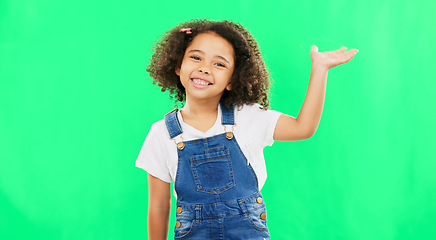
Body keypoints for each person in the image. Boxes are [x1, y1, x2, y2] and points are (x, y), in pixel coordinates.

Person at [136, 19, 358, 240]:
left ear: (232, 80)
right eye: (196, 57)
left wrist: (320, 69)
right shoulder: (161, 133)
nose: (204, 68)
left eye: (219, 64)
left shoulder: (248, 117)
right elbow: (158, 205)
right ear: (177, 65)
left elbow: (303, 128)